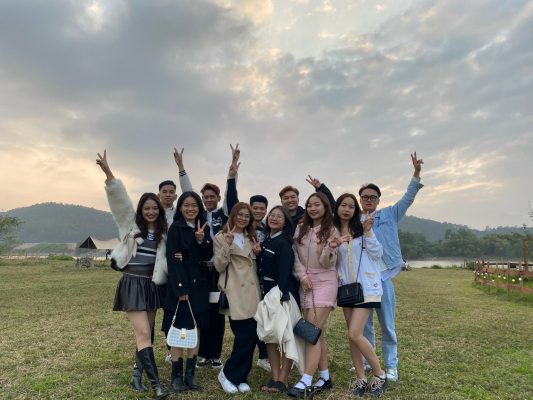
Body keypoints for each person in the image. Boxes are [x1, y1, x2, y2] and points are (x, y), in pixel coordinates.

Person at [96, 150, 169, 400]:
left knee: (147, 333)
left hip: (152, 285)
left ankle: (136, 375)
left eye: (155, 208)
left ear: (160, 210)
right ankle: (157, 386)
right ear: (141, 209)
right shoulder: (130, 225)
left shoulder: (164, 232)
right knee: (143, 333)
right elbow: (120, 202)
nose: (151, 212)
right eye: (147, 208)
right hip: (132, 284)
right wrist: (108, 173)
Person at [362, 152, 424, 382]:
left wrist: (416, 173)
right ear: (360, 200)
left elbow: (408, 198)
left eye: (373, 197)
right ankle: (368, 362)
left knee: (387, 324)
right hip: (363, 279)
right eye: (365, 197)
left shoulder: (389, 214)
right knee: (365, 325)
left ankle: (391, 366)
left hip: (384, 276)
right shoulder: (354, 221)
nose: (369, 200)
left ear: (379, 200)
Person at [179, 144, 240, 370]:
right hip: (200, 270)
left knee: (217, 312)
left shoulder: (225, 214)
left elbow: (232, 196)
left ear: (218, 197)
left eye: (212, 196)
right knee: (201, 309)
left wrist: (232, 173)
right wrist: (181, 168)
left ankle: (215, 354)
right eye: (205, 197)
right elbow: (188, 193)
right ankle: (203, 354)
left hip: (219, 270)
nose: (208, 199)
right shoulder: (198, 215)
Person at [333, 193, 388, 397]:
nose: (346, 209)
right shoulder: (333, 231)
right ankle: (361, 378)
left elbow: (377, 254)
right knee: (352, 336)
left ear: (355, 210)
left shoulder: (362, 228)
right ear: (337, 208)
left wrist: (368, 232)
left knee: (355, 333)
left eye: (350, 206)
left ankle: (380, 375)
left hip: (367, 287)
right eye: (343, 205)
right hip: (346, 288)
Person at [287, 192, 339, 399]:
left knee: (310, 331)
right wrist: (302, 276)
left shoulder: (331, 230)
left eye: (317, 204)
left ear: (325, 207)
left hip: (325, 281)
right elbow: (294, 255)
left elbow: (328, 262)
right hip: (305, 283)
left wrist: (330, 247)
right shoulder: (301, 228)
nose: (313, 208)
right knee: (317, 333)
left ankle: (306, 380)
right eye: (309, 205)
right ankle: (324, 377)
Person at [163, 191, 213, 392]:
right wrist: (180, 288)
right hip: (182, 287)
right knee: (179, 329)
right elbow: (172, 259)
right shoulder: (176, 228)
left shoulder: (203, 226)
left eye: (194, 205)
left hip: (200, 286)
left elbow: (208, 255)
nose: (190, 209)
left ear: (199, 208)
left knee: (196, 328)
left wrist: (201, 240)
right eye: (186, 205)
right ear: (181, 208)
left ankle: (190, 376)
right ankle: (176, 377)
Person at [214, 203, 262, 394]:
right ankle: (227, 374)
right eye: (239, 214)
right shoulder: (221, 237)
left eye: (246, 216)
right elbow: (219, 266)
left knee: (251, 337)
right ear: (233, 216)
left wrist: (257, 253)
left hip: (253, 293)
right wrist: (227, 244)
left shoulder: (252, 237)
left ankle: (241, 376)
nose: (243, 218)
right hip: (235, 292)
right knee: (243, 336)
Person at [256, 206, 300, 394]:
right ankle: (274, 377)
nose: (274, 218)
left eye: (279, 216)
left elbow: (285, 272)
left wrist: (282, 295)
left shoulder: (284, 243)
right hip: (267, 293)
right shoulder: (267, 240)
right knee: (271, 336)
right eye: (271, 215)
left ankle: (283, 379)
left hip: (282, 294)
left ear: (285, 222)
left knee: (286, 337)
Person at [249, 194, 270, 372]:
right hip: (247, 279)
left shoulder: (267, 228)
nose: (258, 211)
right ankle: (259, 355)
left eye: (262, 208)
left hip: (264, 279)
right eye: (255, 208)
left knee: (264, 318)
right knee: (252, 319)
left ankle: (265, 356)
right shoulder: (243, 227)